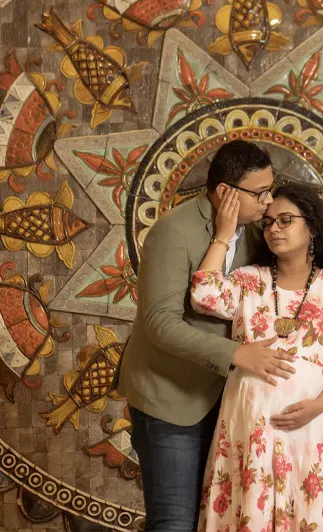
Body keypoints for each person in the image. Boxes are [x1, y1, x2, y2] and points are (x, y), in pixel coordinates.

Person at [114, 140, 298, 532]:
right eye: (259, 193)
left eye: (270, 189)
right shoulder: (173, 232)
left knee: (220, 520)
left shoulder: (258, 233)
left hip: (229, 402)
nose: (268, 201)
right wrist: (236, 354)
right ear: (225, 192)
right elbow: (160, 323)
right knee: (175, 521)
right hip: (169, 396)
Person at [190, 182, 323, 532]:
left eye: (286, 220)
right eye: (268, 222)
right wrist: (224, 234)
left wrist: (316, 407)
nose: (274, 229)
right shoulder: (247, 281)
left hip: (315, 426)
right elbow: (204, 295)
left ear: (312, 227)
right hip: (250, 425)